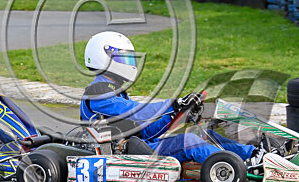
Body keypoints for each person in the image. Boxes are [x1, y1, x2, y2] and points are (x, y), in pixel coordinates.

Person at [80, 31, 264, 165]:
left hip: (137, 147)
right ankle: (231, 166)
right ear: (104, 58)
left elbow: (145, 132)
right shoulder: (97, 92)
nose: (129, 64)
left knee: (198, 133)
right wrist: (173, 104)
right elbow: (137, 112)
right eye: (124, 59)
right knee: (188, 141)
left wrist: (174, 115)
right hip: (122, 154)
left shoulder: (117, 92)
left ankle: (252, 155)